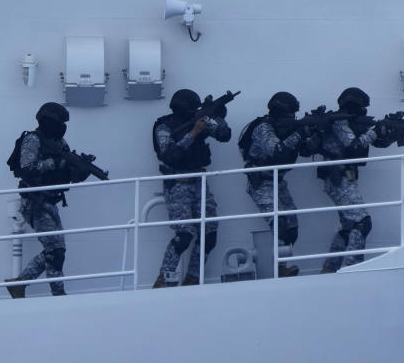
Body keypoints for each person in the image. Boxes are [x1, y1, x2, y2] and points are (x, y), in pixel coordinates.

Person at [5, 102, 89, 298]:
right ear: (48, 121)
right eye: (59, 122)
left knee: (56, 250)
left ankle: (19, 284)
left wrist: (81, 169)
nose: (63, 127)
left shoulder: (60, 143)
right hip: (34, 202)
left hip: (50, 202)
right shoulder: (33, 140)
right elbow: (27, 168)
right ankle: (58, 293)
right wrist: (55, 163)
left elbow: (68, 174)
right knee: (56, 251)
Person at [152, 89, 231, 288]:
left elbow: (224, 135)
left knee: (210, 234)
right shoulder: (164, 126)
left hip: (199, 182)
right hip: (178, 184)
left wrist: (217, 115)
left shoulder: (200, 120)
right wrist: (193, 132)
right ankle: (164, 279)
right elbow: (169, 155)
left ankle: (193, 278)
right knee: (184, 236)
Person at [238, 91, 313, 277]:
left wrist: (311, 134)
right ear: (281, 112)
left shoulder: (285, 129)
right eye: (290, 114)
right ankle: (274, 268)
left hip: (278, 182)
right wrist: (299, 132)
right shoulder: (263, 128)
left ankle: (280, 266)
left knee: (291, 226)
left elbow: (304, 151)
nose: (292, 118)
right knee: (279, 223)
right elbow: (277, 152)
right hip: (261, 182)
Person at [314, 87, 384, 274]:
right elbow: (353, 146)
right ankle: (353, 269)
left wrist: (389, 132)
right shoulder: (339, 122)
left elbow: (374, 141)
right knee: (362, 223)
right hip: (338, 178)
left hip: (343, 178)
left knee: (348, 227)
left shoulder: (346, 121)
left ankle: (329, 269)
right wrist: (375, 131)